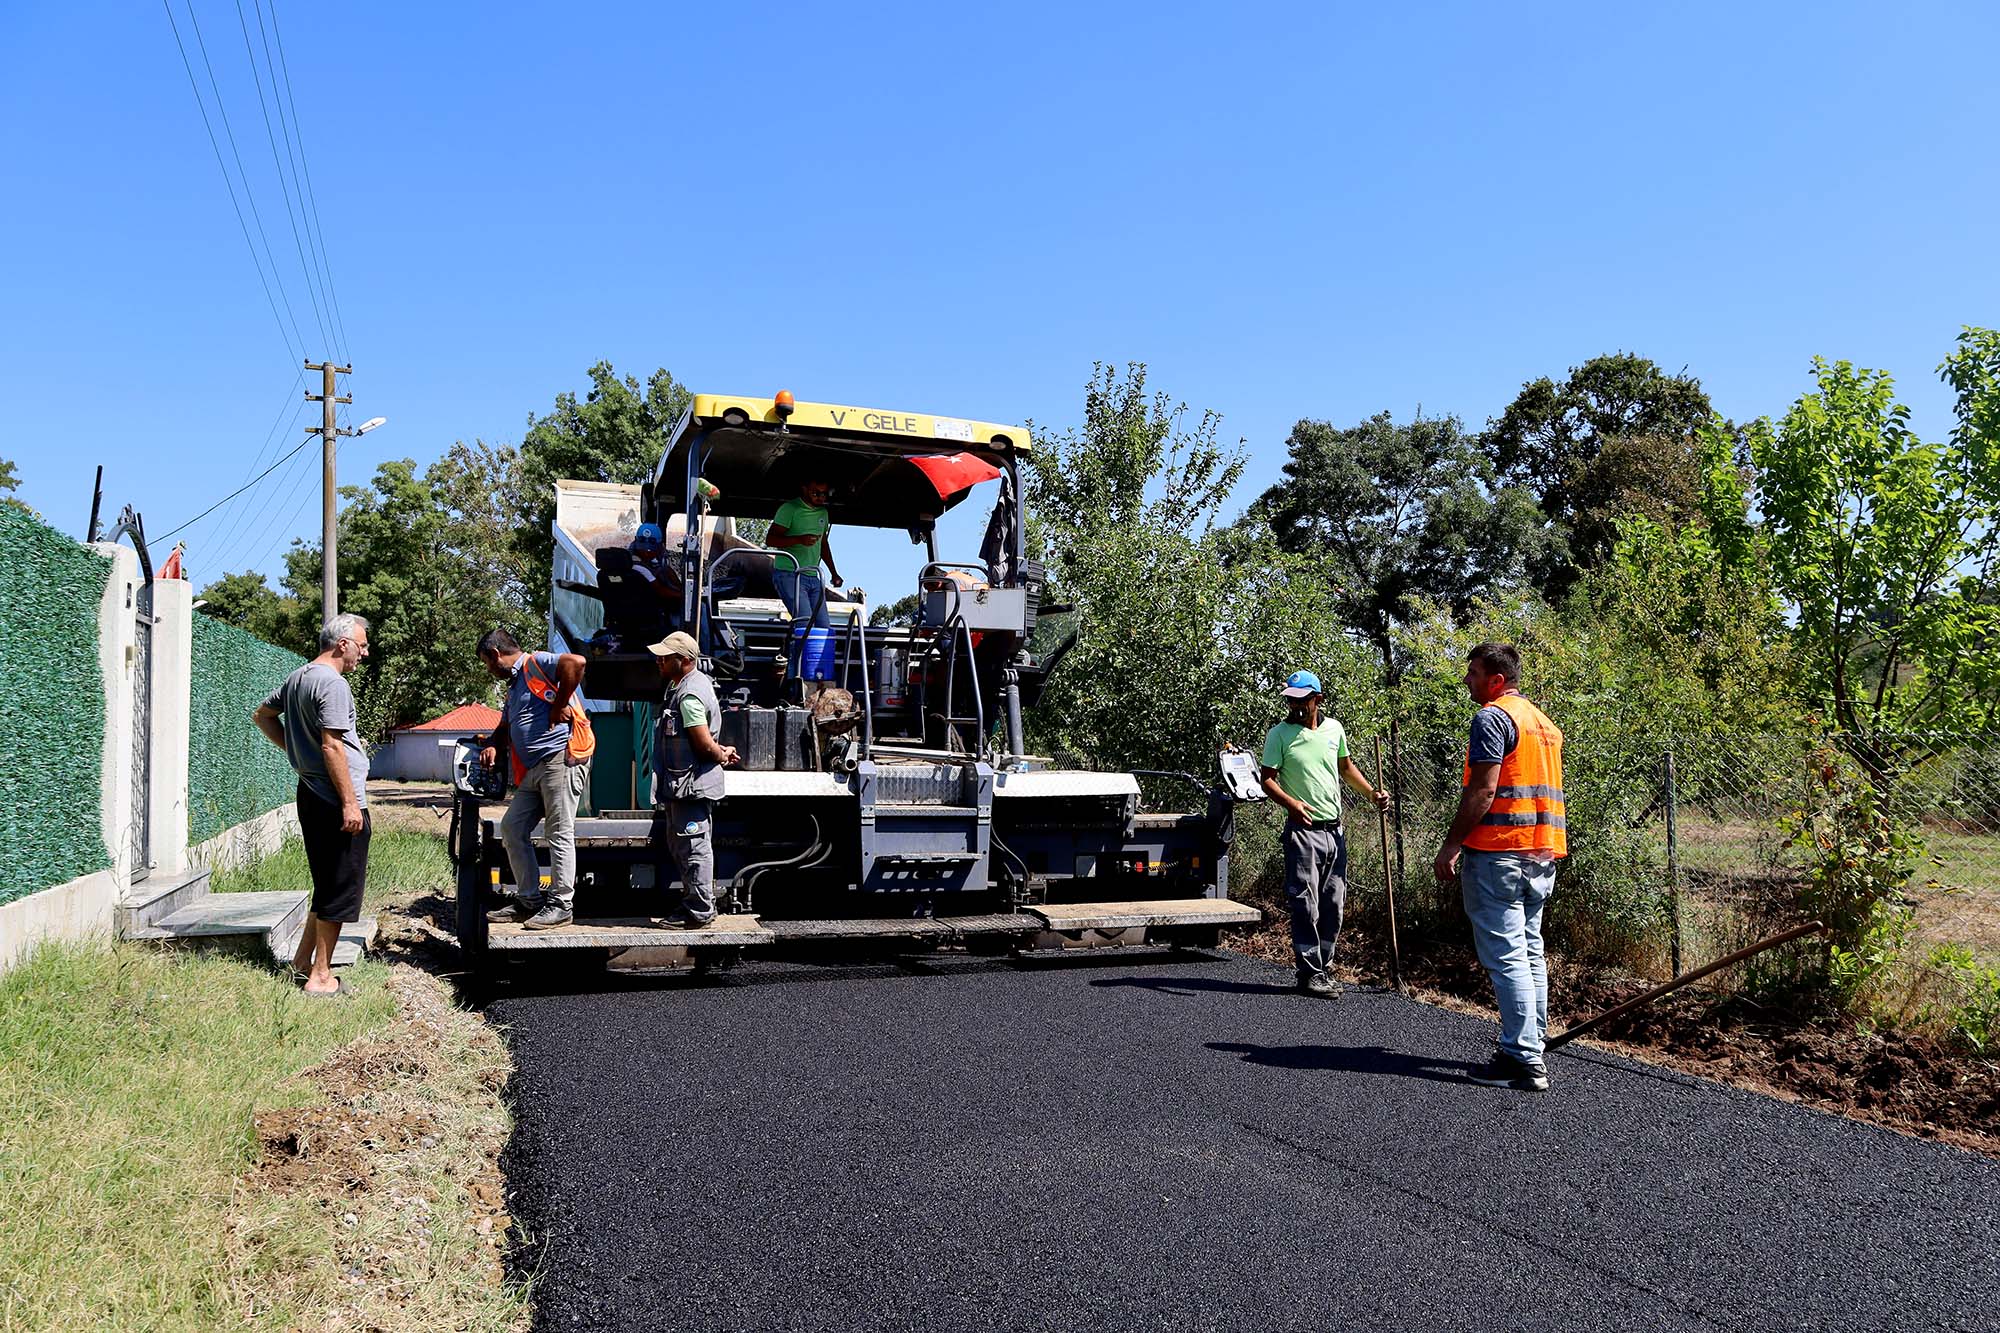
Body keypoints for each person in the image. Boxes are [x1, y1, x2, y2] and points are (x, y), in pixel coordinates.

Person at [1433, 643, 1567, 1093]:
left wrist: (1452, 845)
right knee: (1530, 951)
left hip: (1499, 853)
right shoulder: (1544, 725)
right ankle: (1531, 1043)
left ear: (1496, 680)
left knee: (1508, 955)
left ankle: (1521, 1059)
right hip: (1540, 852)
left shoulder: (1493, 717)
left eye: (1473, 673)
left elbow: (1483, 792)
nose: (1467, 681)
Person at [252, 613, 372, 997]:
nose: (364, 653)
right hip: (336, 800)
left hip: (312, 792)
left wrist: (296, 753)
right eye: (362, 645)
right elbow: (332, 745)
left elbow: (263, 715)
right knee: (340, 888)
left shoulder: (298, 677)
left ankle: (303, 963)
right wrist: (350, 804)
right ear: (343, 644)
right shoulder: (332, 684)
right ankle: (322, 978)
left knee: (326, 885)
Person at [1260, 669, 1390, 998]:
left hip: (1335, 832)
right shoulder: (1279, 734)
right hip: (1303, 832)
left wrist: (1372, 793)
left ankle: (1324, 965)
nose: (1296, 706)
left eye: (1302, 700)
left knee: (1334, 904)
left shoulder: (1334, 730)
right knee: (1306, 905)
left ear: (1317, 699)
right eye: (1291, 700)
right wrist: (1291, 804)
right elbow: (1267, 779)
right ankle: (1309, 973)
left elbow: (1346, 769)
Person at [475, 629, 592, 930]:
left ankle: (561, 905)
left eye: (487, 663)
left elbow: (576, 662)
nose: (489, 670)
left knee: (559, 831)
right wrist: (492, 743)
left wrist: (560, 702)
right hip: (533, 769)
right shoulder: (515, 685)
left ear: (496, 654)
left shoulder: (535, 662)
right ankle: (529, 901)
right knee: (512, 828)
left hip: (559, 760)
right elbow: (507, 725)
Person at [647, 631, 739, 927]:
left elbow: (701, 742)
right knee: (685, 847)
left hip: (691, 786)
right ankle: (694, 905)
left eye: (665, 656)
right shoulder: (683, 687)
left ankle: (699, 911)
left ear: (685, 660)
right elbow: (704, 739)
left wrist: (719, 754)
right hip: (683, 785)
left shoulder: (688, 694)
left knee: (694, 848)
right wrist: (721, 750)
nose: (659, 661)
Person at [766, 476, 842, 628]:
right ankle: (797, 652)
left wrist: (834, 572)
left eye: (824, 494)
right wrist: (799, 540)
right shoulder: (790, 509)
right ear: (805, 489)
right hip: (789, 574)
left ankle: (816, 652)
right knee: (804, 624)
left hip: (813, 576)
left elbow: (823, 544)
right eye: (816, 493)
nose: (820, 497)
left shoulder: (823, 513)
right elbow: (770, 540)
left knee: (824, 627)